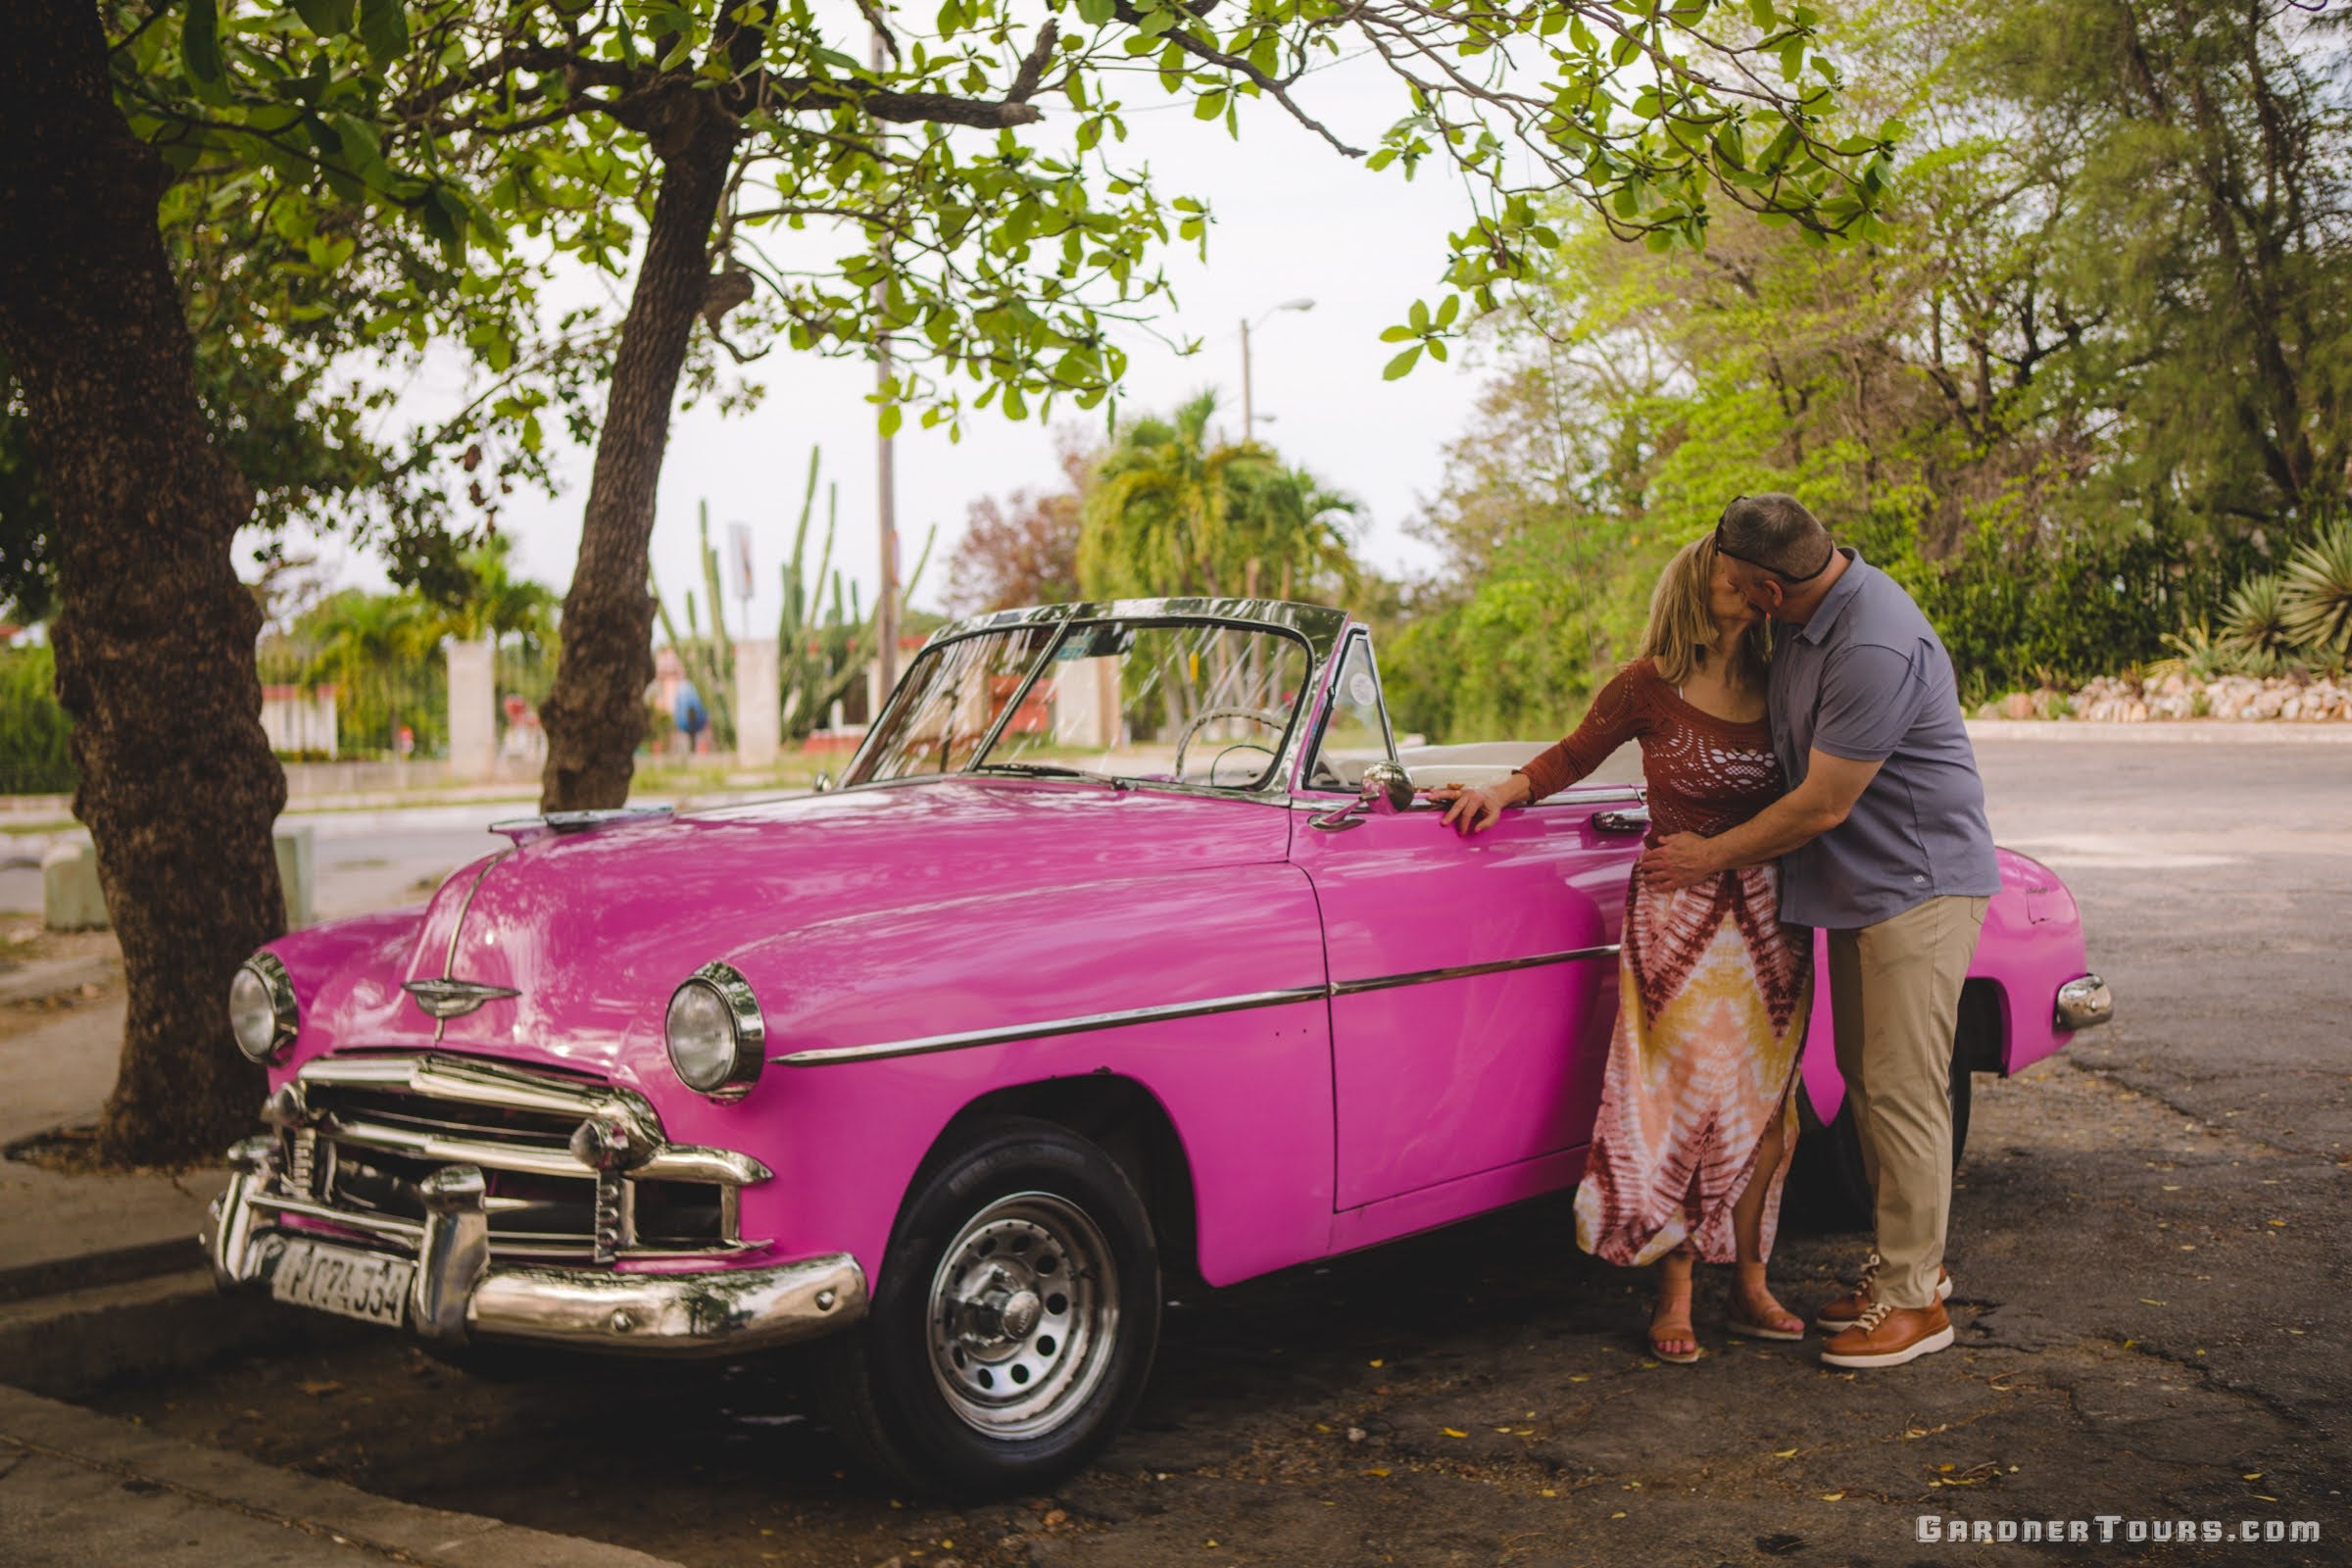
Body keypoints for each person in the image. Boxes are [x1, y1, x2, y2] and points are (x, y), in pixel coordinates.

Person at [1641, 493, 2001, 1371]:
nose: (1714, 582)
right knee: (1873, 1088)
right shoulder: (1804, 619)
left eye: (1727, 575)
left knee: (1904, 1090)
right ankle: (1907, 1268)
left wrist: (1707, 857)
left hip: (1915, 889)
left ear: (1765, 587)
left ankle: (1916, 1306)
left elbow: (1823, 801)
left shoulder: (1871, 641)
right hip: (1860, 888)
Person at [1429, 535, 1811, 1363]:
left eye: (1760, 579)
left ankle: (1750, 1282)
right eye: (1733, 575)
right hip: (1676, 910)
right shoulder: (1649, 685)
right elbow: (1571, 756)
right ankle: (1675, 1291)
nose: (1753, 588)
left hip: (1774, 915)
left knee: (1767, 1105)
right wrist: (1501, 789)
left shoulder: (1788, 678)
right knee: (1684, 1098)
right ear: (1697, 588)